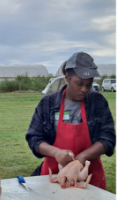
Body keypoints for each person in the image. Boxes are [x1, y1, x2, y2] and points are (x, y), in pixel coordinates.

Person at [26, 52, 116, 190]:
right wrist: (56, 152)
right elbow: (34, 138)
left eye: (89, 84)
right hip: (54, 178)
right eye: (79, 84)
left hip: (89, 180)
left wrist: (82, 157)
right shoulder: (48, 104)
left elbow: (108, 139)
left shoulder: (98, 102)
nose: (84, 89)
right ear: (67, 78)